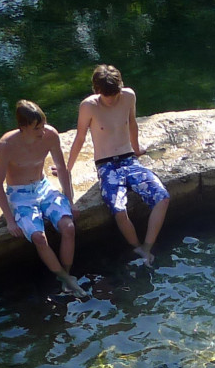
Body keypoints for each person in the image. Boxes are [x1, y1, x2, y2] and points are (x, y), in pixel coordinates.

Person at [67, 64, 170, 266]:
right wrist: (67, 167)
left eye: (115, 94)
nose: (112, 99)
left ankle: (148, 246)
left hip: (129, 159)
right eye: (107, 95)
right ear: (97, 91)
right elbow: (79, 138)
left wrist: (137, 148)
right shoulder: (88, 106)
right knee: (118, 208)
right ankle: (137, 247)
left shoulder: (128, 96)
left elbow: (131, 122)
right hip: (106, 165)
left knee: (163, 197)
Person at [0, 99, 85, 297]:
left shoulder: (50, 135)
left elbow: (61, 168)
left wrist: (70, 200)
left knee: (68, 227)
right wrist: (9, 220)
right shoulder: (7, 145)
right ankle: (65, 279)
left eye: (42, 125)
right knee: (38, 238)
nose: (42, 131)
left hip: (43, 186)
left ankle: (66, 275)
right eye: (36, 128)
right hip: (19, 193)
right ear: (23, 127)